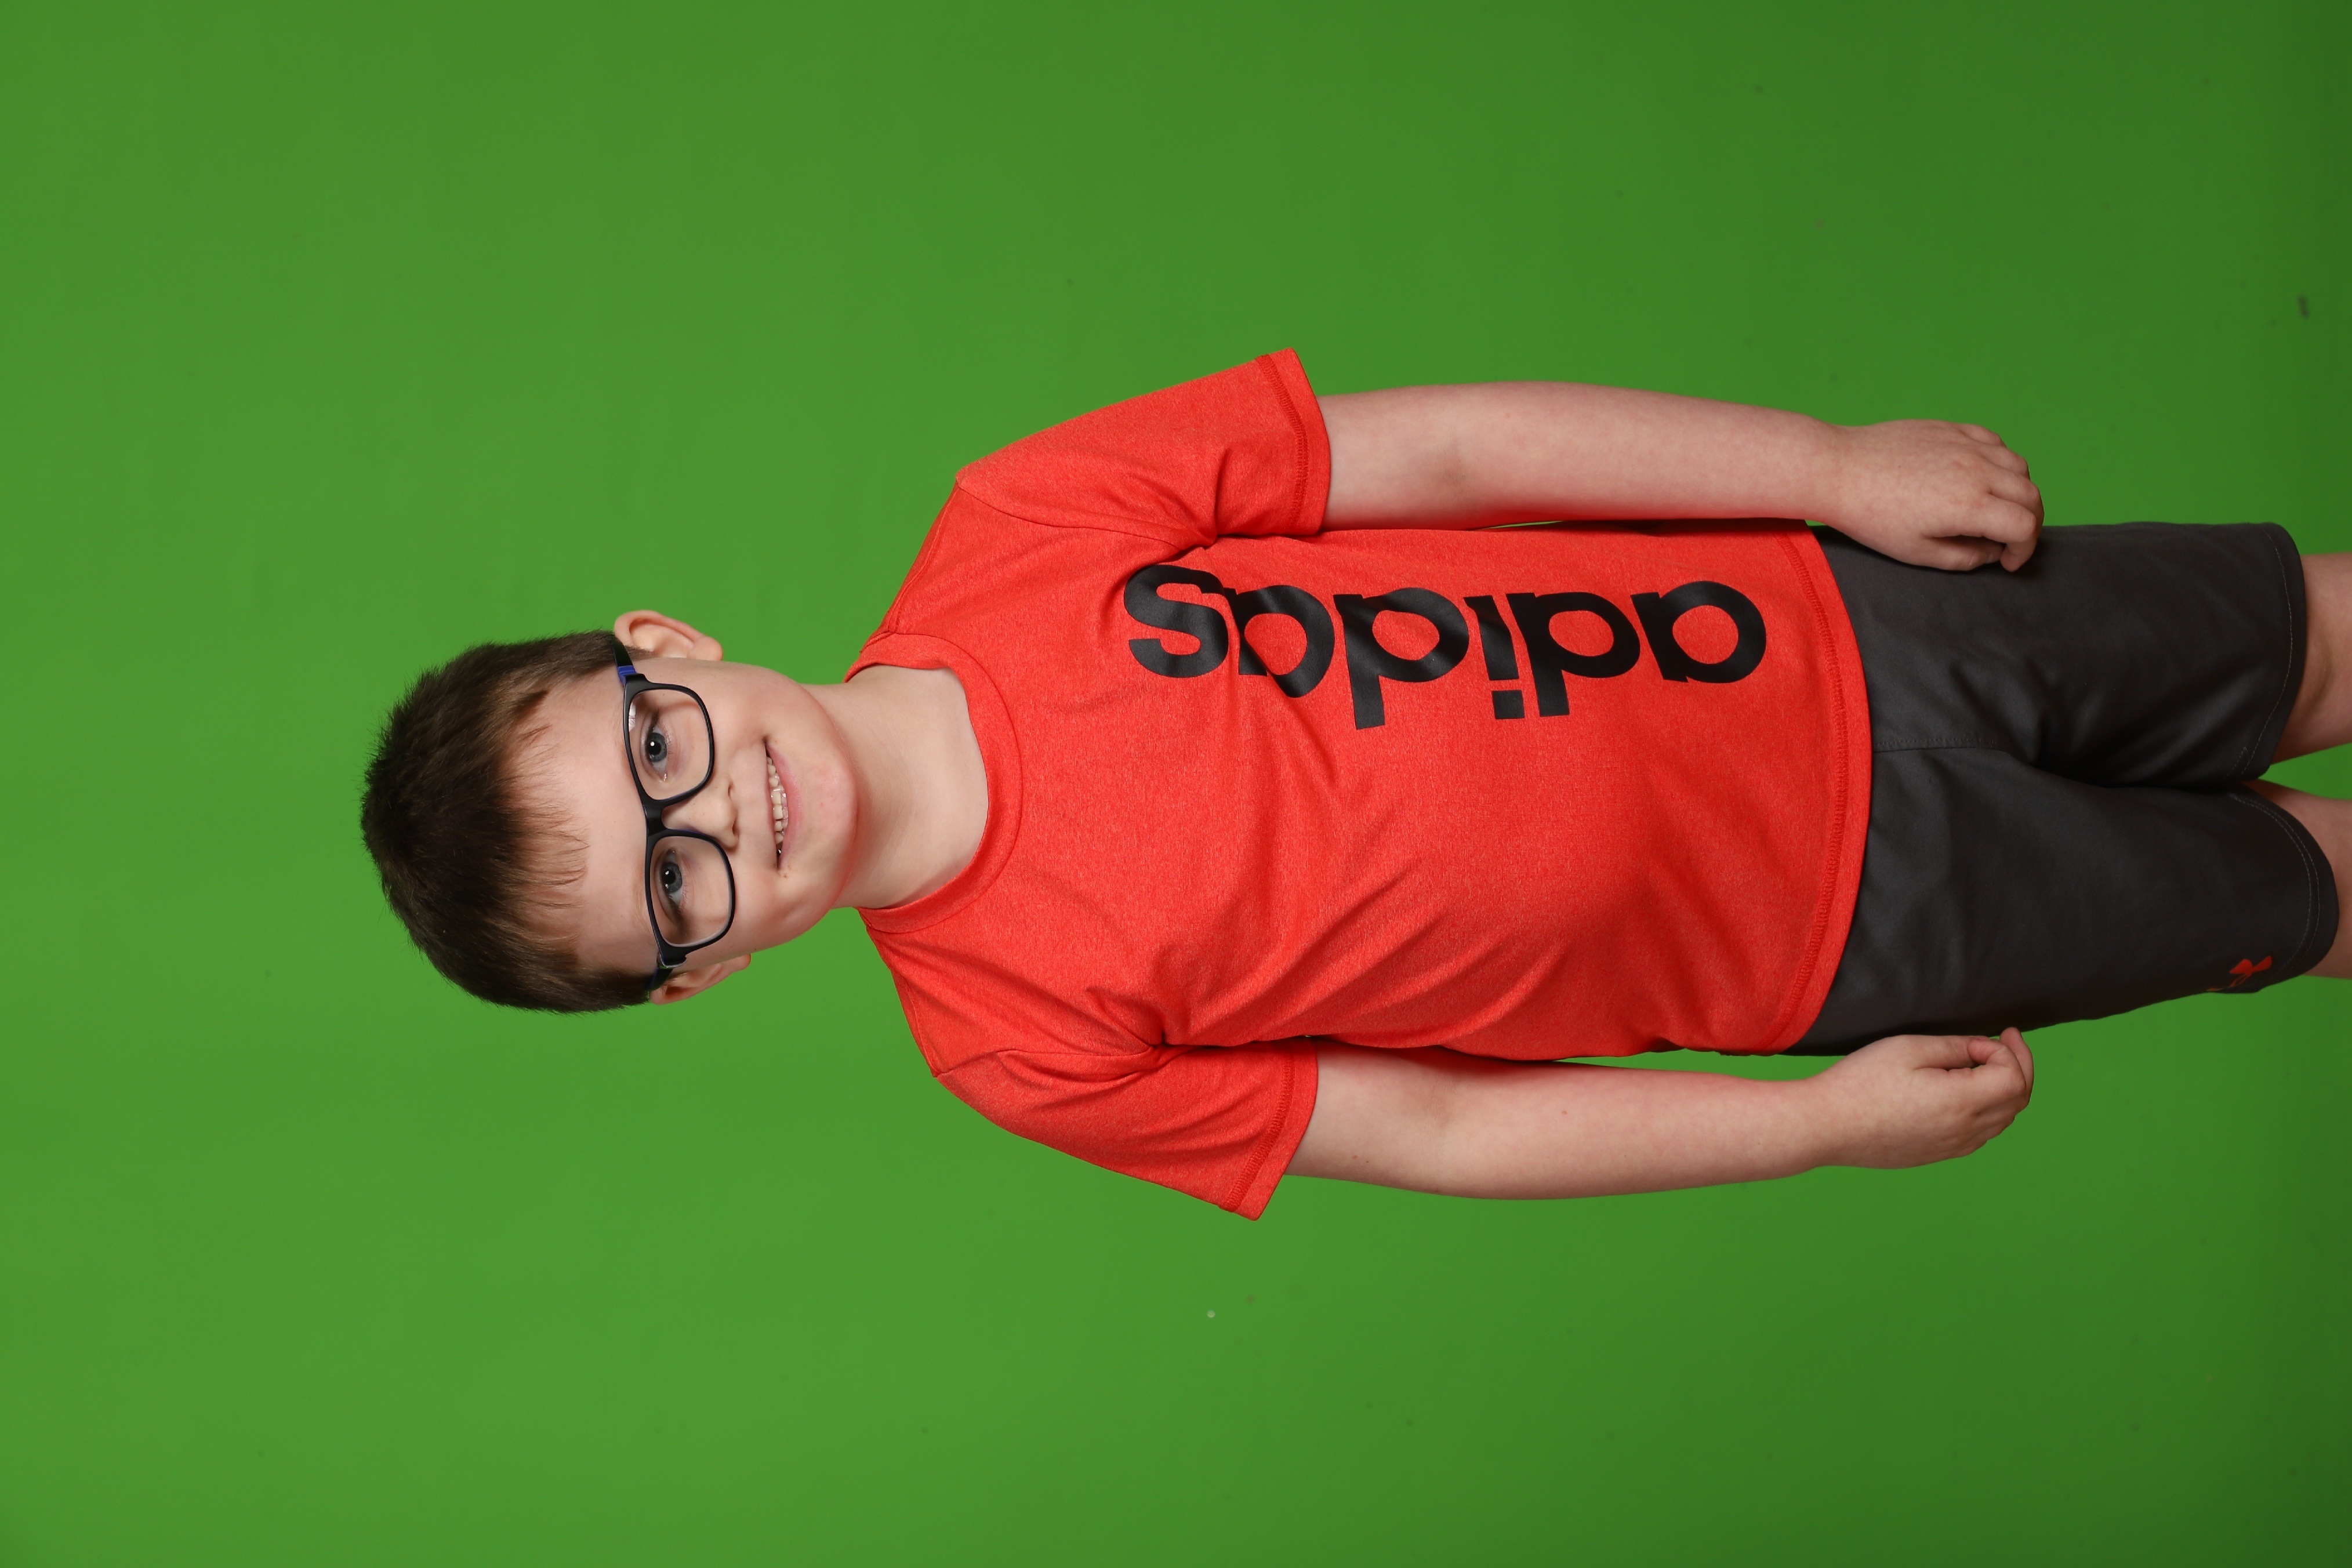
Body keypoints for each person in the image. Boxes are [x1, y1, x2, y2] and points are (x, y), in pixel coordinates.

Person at [361, 351, 2350, 1217]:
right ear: (700, 971)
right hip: (1856, 927)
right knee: (2309, 894)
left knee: (2310, 637)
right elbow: (1437, 1130)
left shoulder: (1020, 523)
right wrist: (1807, 1130)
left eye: (657, 750)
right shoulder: (1014, 1047)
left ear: (666, 643)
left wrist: (1825, 467)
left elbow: (1459, 450)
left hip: (1848, 618)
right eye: (677, 885)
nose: (724, 813)